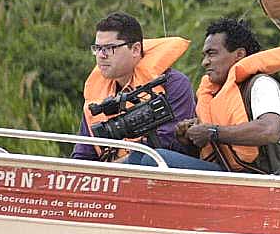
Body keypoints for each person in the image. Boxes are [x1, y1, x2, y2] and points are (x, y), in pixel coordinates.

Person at [128, 17, 280, 174]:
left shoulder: (261, 84)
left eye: (212, 54)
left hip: (263, 177)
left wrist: (212, 132)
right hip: (228, 173)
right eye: (204, 56)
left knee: (153, 160)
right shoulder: (215, 94)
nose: (205, 62)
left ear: (239, 55)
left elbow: (270, 130)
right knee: (138, 156)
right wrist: (188, 139)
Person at [73, 11, 195, 163]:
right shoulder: (96, 96)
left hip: (160, 169)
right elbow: (83, 154)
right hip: (111, 173)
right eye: (97, 48)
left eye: (109, 48)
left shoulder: (173, 83)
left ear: (136, 49)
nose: (101, 55)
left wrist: (116, 168)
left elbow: (168, 142)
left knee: (149, 159)